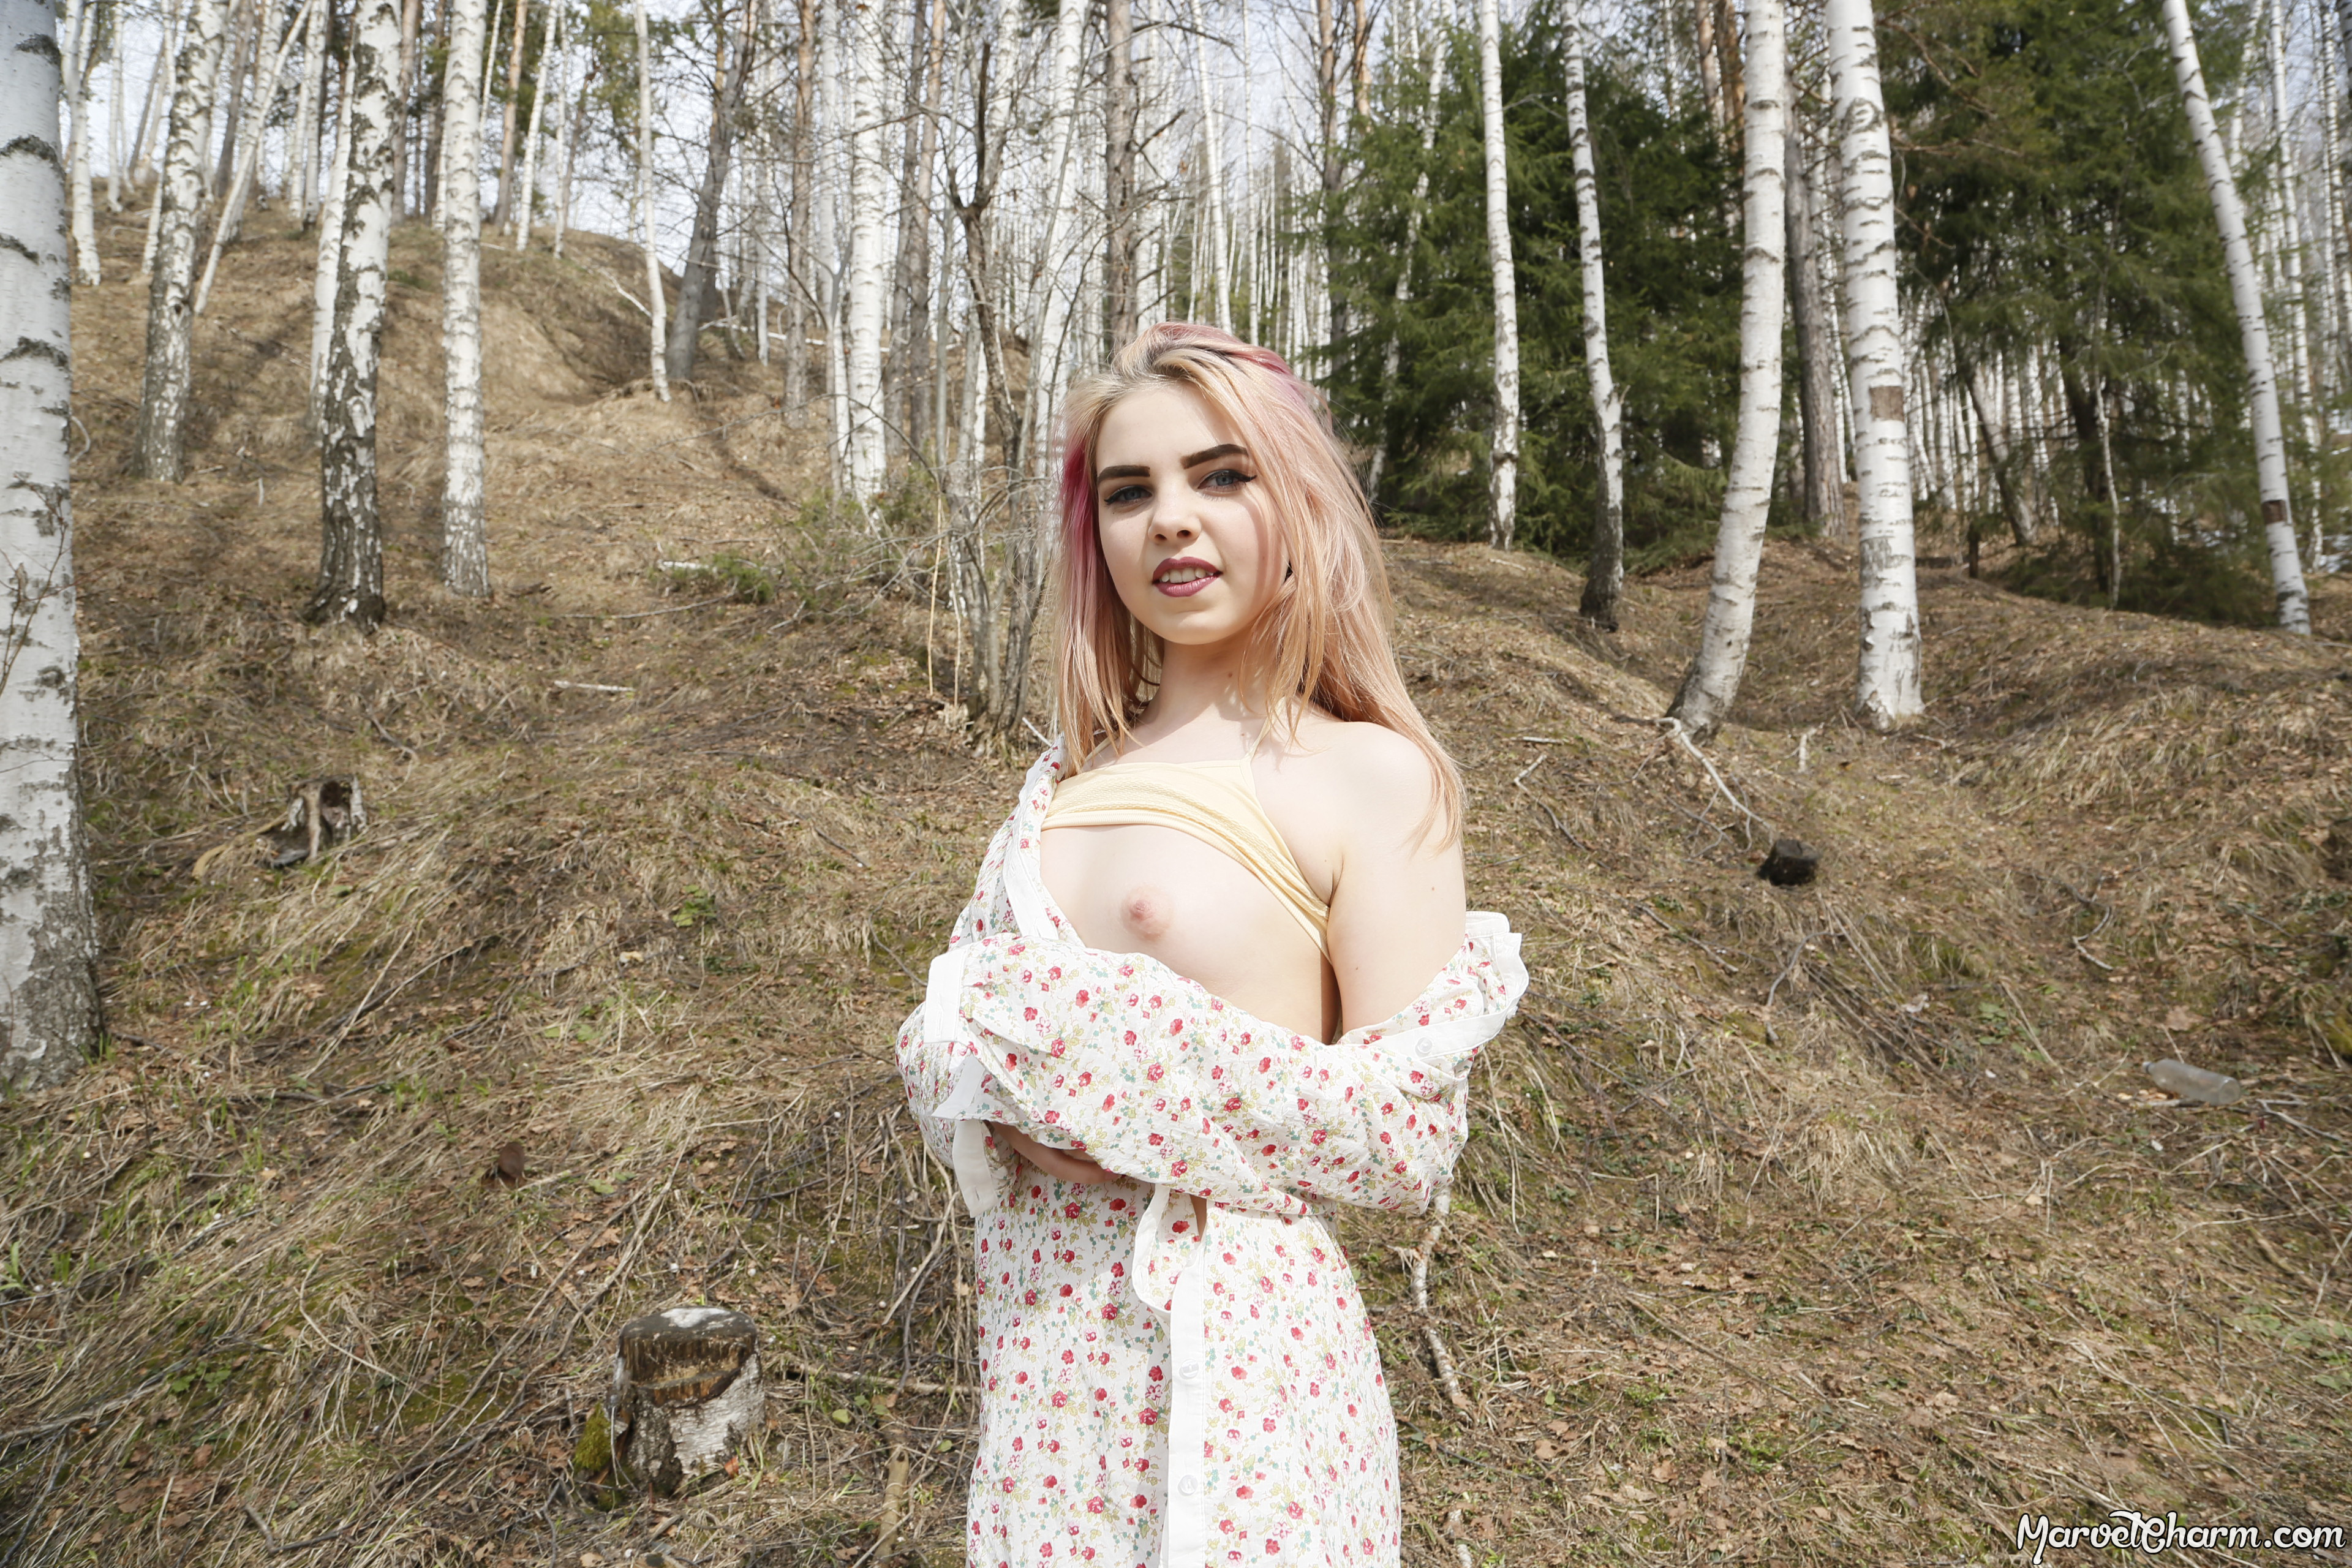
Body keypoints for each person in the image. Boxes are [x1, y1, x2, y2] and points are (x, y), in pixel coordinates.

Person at [897, 323, 1525, 1567]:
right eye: (1129, 492)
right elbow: (946, 1035)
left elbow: (1403, 1133)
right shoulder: (1057, 787)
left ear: (1296, 499)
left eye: (1221, 475)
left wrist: (1094, 1062)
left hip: (1243, 1418)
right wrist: (979, 1074)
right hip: (1043, 1408)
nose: (1171, 519)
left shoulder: (1371, 777)